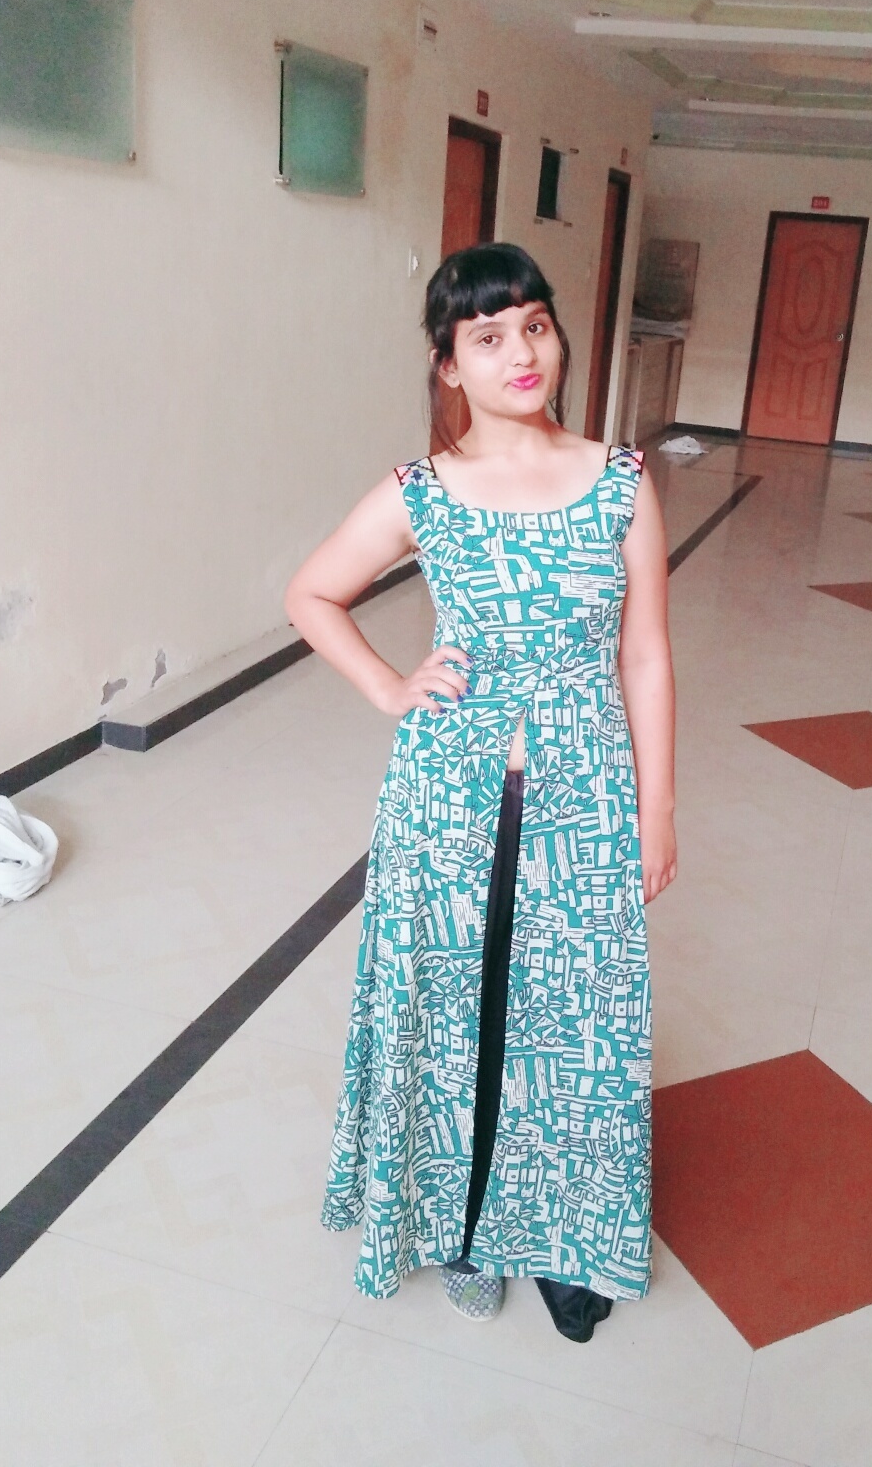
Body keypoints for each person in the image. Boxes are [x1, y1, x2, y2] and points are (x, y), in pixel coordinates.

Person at [284, 241, 677, 1343]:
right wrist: (389, 686)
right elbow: (312, 594)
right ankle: (454, 1223)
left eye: (535, 326)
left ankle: (557, 1234)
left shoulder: (622, 481)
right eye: (489, 336)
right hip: (446, 798)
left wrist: (657, 811)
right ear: (449, 363)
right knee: (451, 1004)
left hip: (584, 795)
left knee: (572, 1018)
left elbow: (645, 655)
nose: (521, 353)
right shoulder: (423, 491)